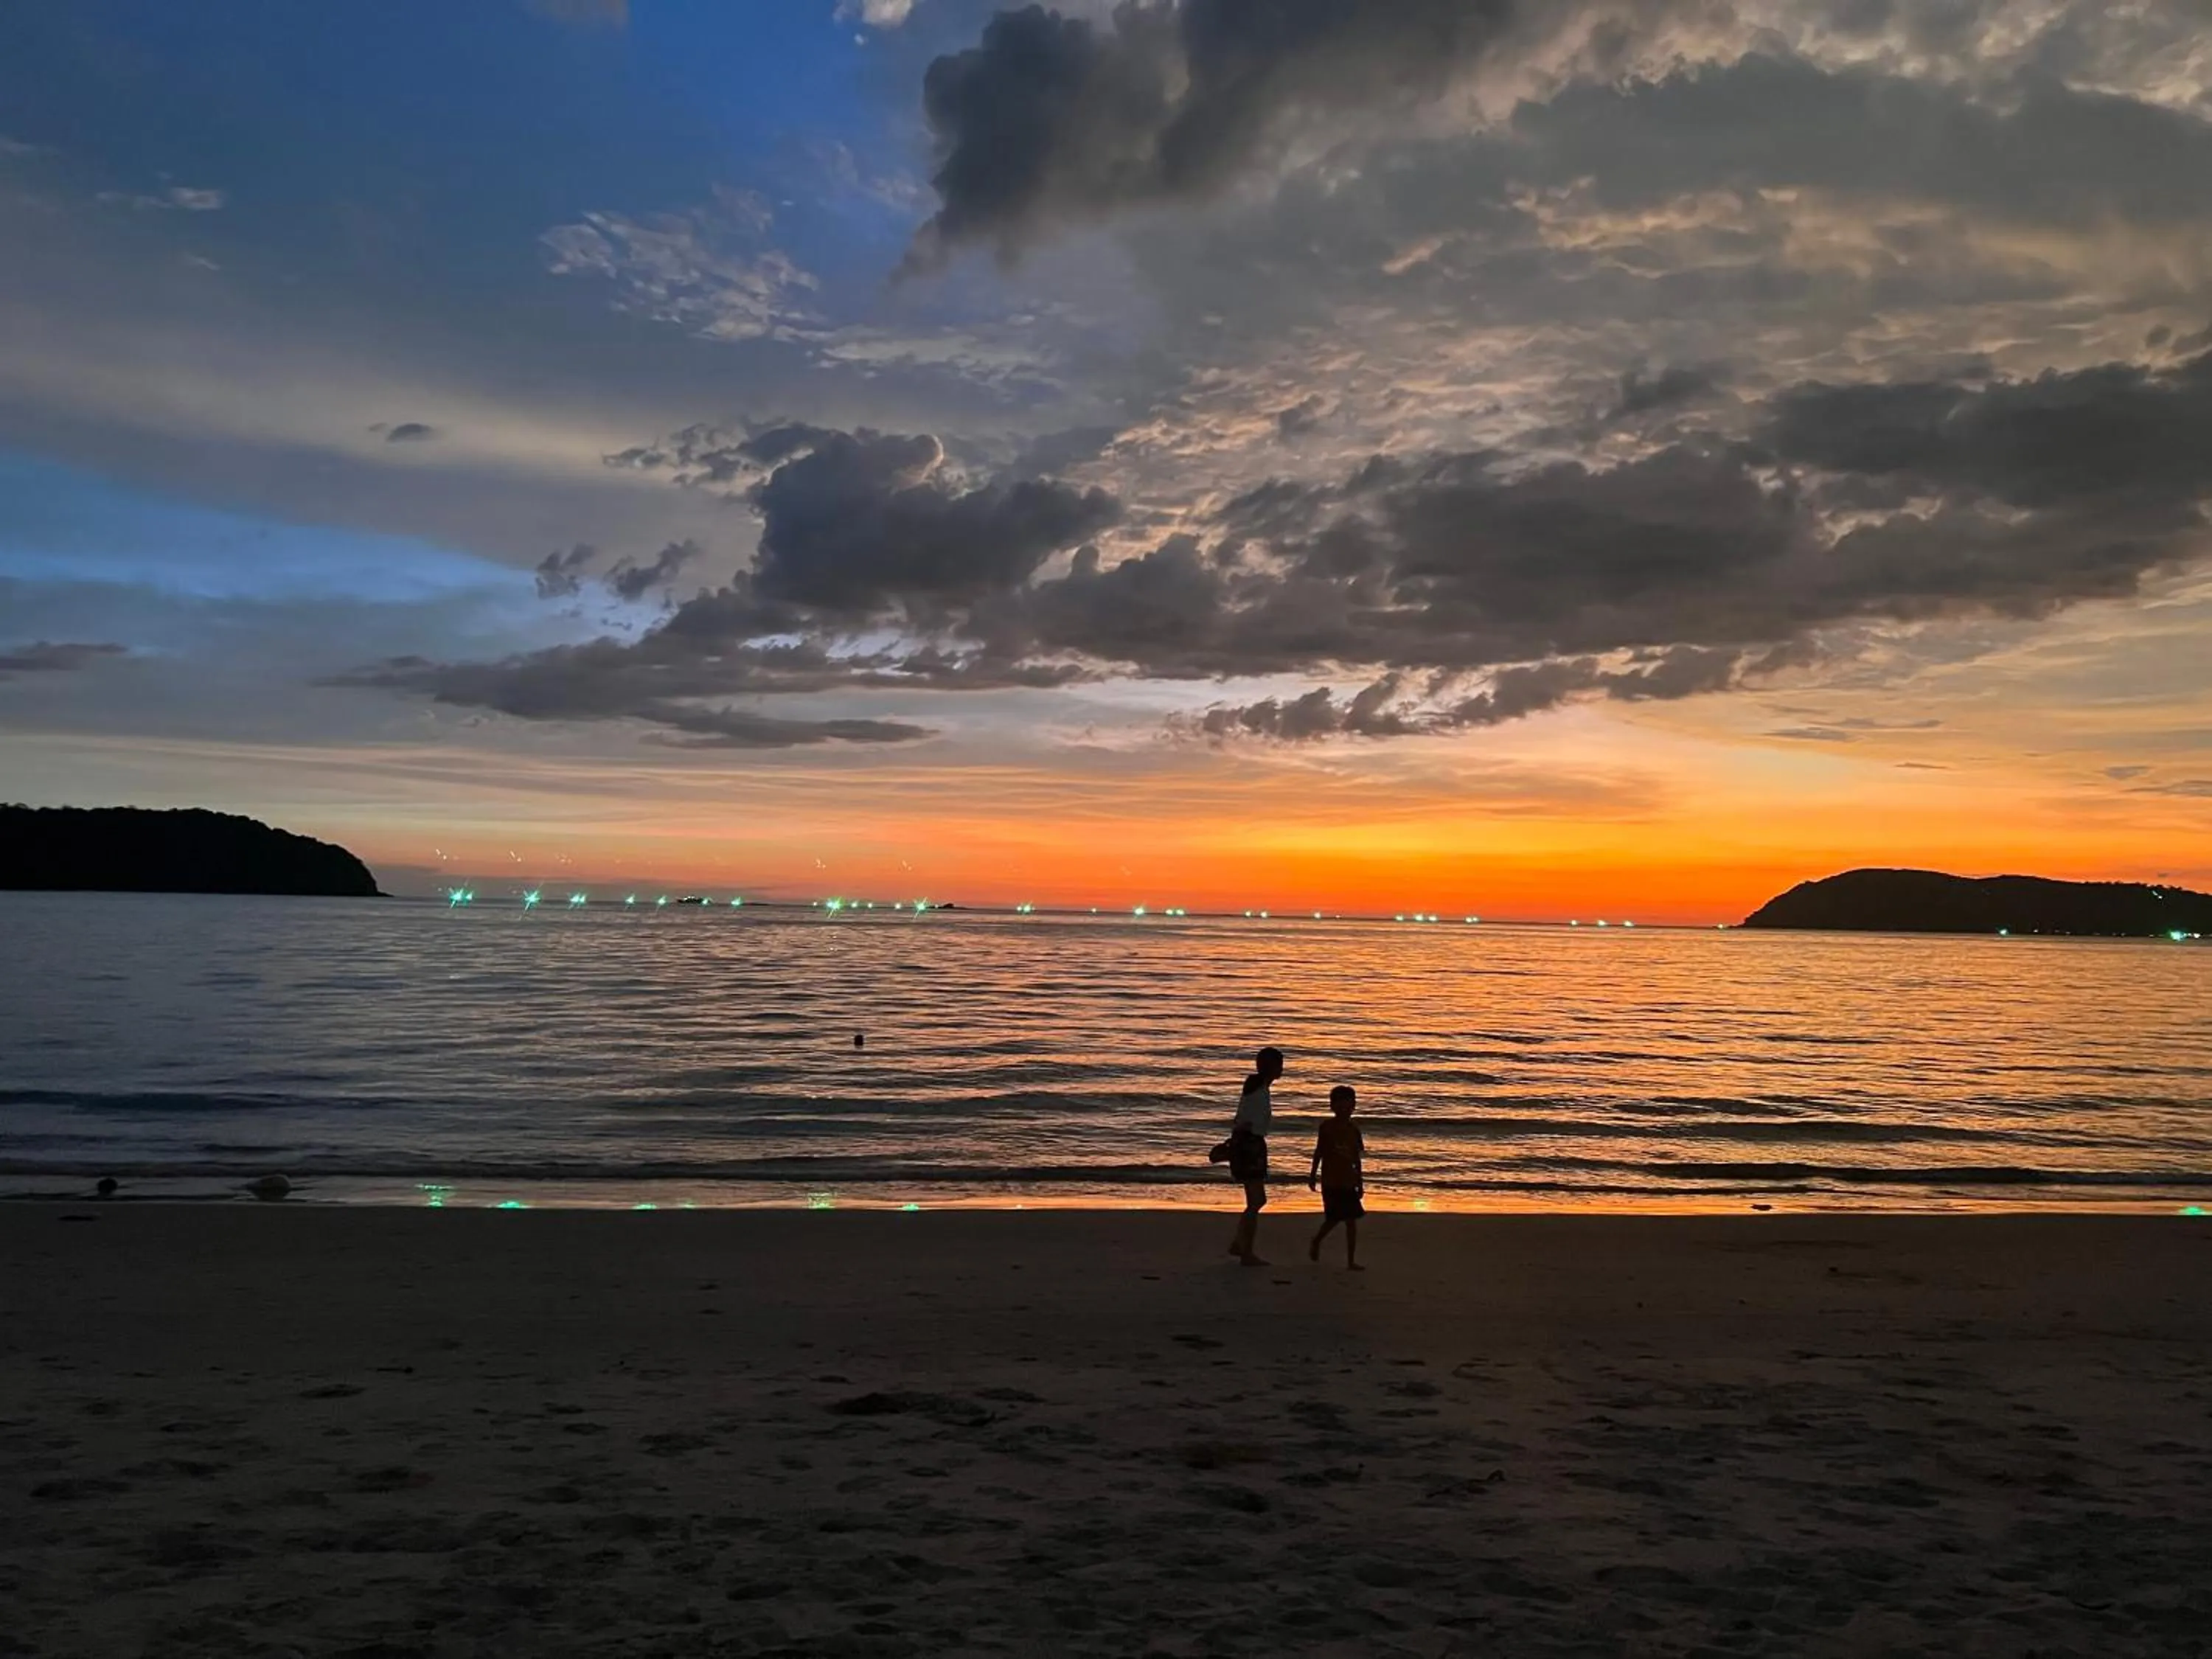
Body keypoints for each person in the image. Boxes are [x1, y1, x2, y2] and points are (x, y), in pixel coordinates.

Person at [1224, 1046, 1284, 1267]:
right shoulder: (1258, 1091)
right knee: (1257, 1200)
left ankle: (1240, 1245)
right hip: (1250, 1145)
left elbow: (1242, 1120)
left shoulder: (1257, 1088)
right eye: (1279, 1065)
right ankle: (1246, 1251)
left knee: (1255, 1199)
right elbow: (1247, 1123)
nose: (1282, 1070)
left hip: (1249, 1144)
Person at [1307, 1085, 1365, 1270]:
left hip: (1348, 1181)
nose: (1345, 1110)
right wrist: (1312, 1174)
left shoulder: (1354, 1130)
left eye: (1349, 1106)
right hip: (1331, 1181)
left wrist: (1360, 1182)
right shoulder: (1327, 1128)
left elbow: (1357, 1159)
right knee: (1333, 1218)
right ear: (1332, 1106)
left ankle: (1351, 1261)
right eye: (1341, 1106)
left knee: (1351, 1221)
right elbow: (1319, 1153)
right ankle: (1317, 1240)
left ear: (1354, 1107)